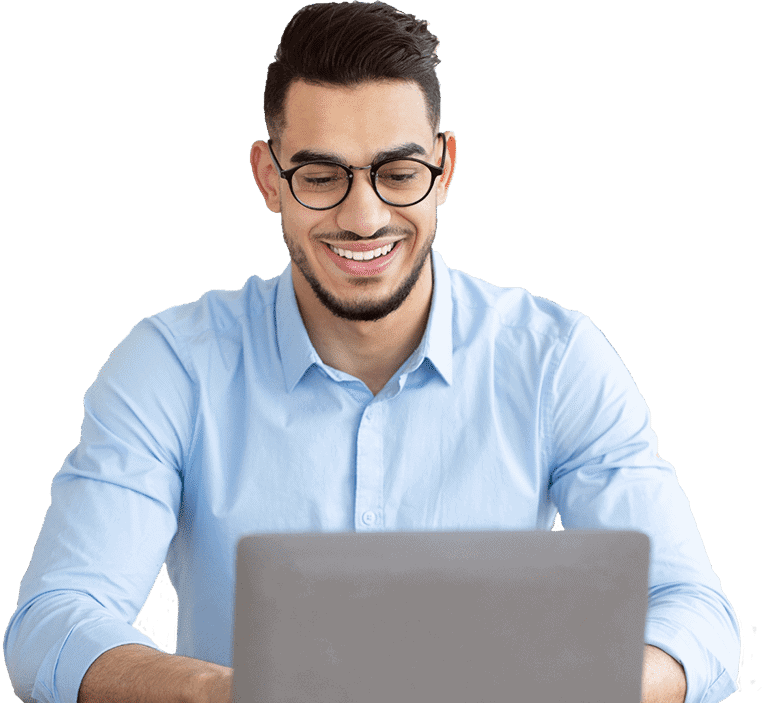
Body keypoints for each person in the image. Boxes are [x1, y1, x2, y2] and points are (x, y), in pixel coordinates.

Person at [4, 2, 739, 702]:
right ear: (269, 179)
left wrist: (580, 689)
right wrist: (230, 690)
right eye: (321, 177)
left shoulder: (555, 359)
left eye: (397, 173)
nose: (363, 217)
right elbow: (52, 621)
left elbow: (695, 612)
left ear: (445, 168)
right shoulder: (170, 364)